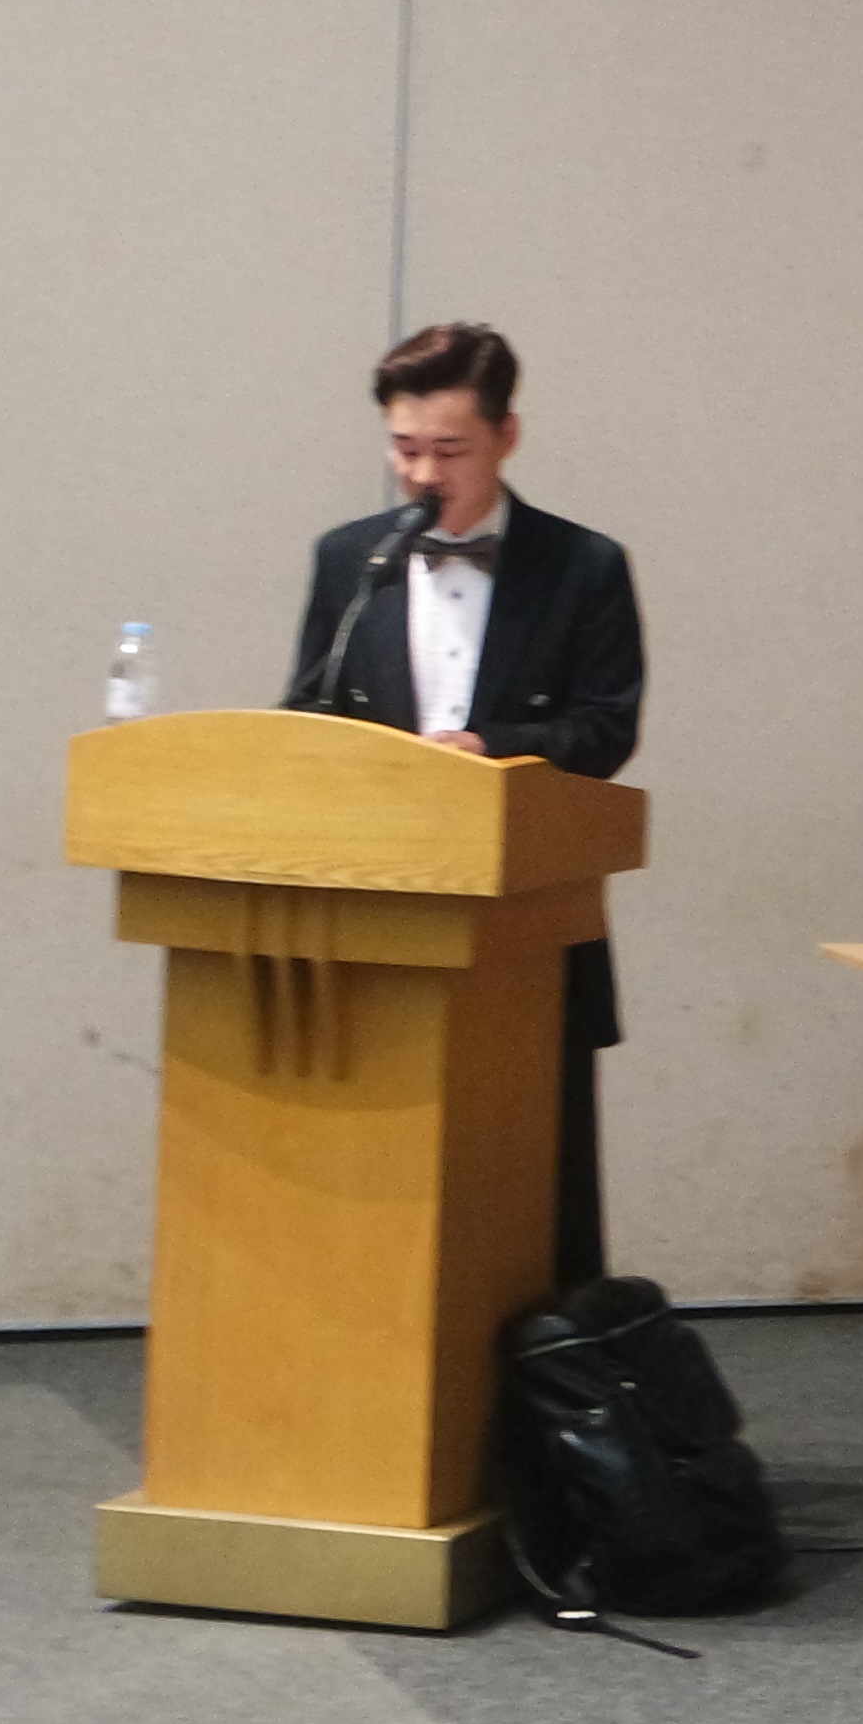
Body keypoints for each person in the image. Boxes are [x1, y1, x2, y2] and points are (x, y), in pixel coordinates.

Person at [284, 321, 645, 1285]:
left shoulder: (584, 566)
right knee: (375, 1195)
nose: (422, 474)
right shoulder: (349, 560)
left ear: (507, 436)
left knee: (528, 1204)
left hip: (525, 925)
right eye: (404, 448)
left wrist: (491, 751)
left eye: (450, 451)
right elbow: (307, 714)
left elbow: (607, 728)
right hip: (373, 925)